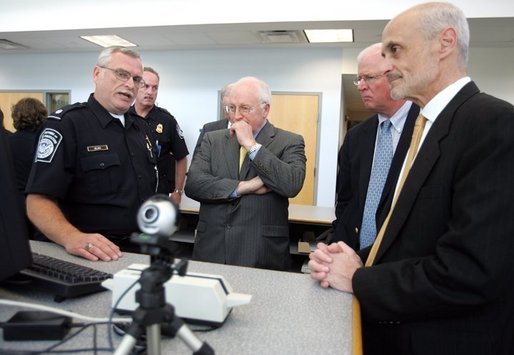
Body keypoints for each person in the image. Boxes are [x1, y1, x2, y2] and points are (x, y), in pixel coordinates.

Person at [309, 3, 514, 355]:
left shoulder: (494, 125)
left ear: (445, 43)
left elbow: (469, 271)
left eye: (396, 50)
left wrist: (359, 279)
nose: (386, 65)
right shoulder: (428, 127)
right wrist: (350, 260)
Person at [25, 46, 158, 262]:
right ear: (97, 74)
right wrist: (72, 237)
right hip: (88, 254)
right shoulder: (67, 125)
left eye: (136, 79)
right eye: (121, 74)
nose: (129, 85)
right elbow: (37, 201)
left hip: (138, 251)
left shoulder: (140, 128)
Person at [185, 76, 306, 271]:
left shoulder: (289, 141)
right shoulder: (212, 139)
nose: (236, 116)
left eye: (245, 108)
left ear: (265, 110)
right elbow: (194, 184)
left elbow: (291, 184)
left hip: (261, 252)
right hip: (212, 250)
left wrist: (251, 145)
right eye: (231, 108)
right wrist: (244, 187)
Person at [332, 43, 419, 250]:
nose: (361, 86)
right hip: (355, 255)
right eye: (359, 79)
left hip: (405, 262)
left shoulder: (427, 128)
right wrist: (341, 246)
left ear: (395, 76)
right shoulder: (355, 137)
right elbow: (346, 202)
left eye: (369, 78)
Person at [130, 67, 189, 205]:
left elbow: (181, 157)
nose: (150, 92)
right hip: (130, 193)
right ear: (136, 85)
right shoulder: (124, 117)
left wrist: (178, 191)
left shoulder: (166, 120)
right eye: (145, 86)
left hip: (158, 195)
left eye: (155, 88)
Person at [8, 97, 48, 193]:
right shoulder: (45, 143)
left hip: (11, 198)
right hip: (39, 197)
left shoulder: (7, 142)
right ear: (42, 115)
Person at [193, 82, 234, 154]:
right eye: (229, 108)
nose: (235, 113)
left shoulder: (254, 129)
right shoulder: (209, 129)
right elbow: (197, 162)